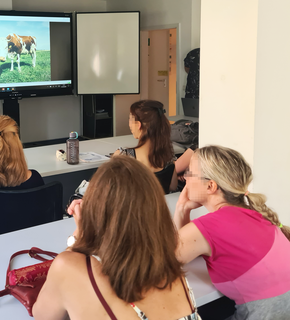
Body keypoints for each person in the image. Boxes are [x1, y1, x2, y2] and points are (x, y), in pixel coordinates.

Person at [33, 156, 201, 320]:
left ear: (95, 211)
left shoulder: (70, 267)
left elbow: (42, 315)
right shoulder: (172, 268)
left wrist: (79, 238)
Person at [174, 145, 290, 319]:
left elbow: (162, 261)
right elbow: (190, 248)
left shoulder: (208, 226)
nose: (184, 178)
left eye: (190, 172)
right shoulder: (254, 214)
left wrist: (181, 208)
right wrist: (183, 210)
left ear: (210, 186)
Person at [114, 100, 178, 193]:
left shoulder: (122, 157)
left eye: (130, 120)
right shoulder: (168, 158)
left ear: (138, 125)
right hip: (160, 206)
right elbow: (173, 187)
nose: (129, 125)